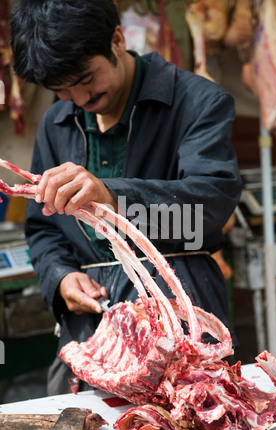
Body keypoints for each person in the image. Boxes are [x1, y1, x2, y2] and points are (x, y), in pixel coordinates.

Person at [10, 0, 242, 395]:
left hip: (180, 321)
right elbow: (43, 227)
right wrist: (61, 277)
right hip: (90, 333)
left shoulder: (198, 102)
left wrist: (113, 198)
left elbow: (207, 213)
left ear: (117, 40)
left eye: (86, 79)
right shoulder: (56, 122)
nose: (79, 99)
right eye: (61, 90)